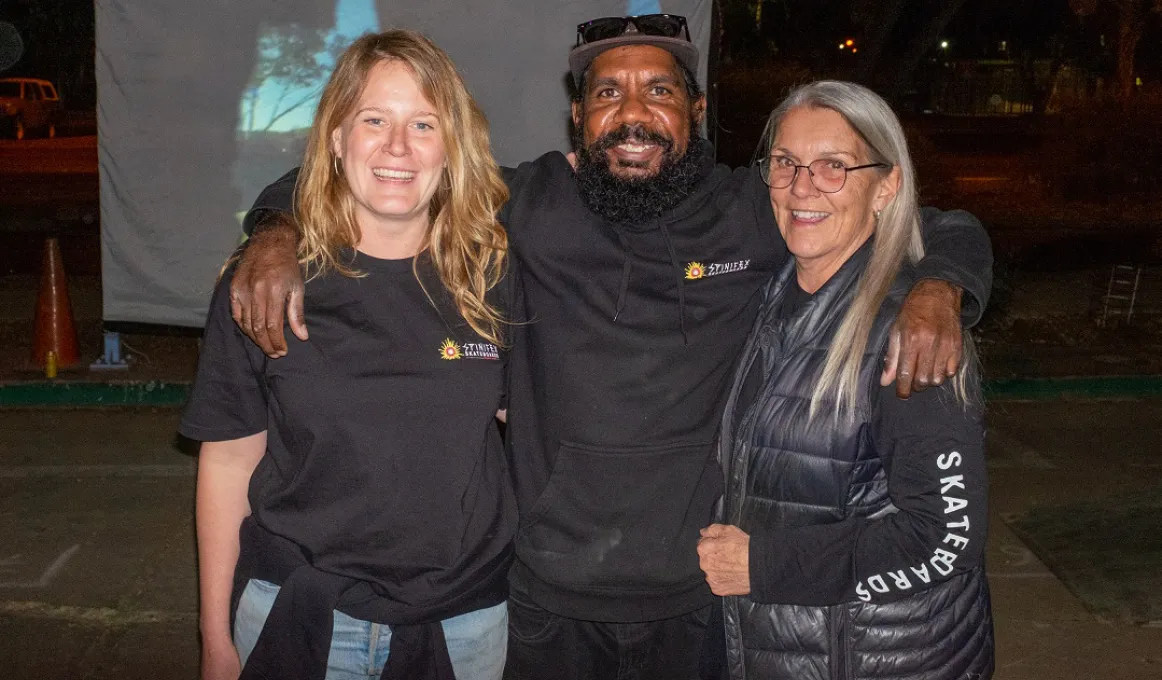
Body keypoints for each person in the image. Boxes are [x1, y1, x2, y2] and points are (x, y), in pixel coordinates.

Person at [228, 16, 994, 680]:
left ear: (696, 110)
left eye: (658, 92)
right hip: (545, 597)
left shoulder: (754, 210)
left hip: (698, 597)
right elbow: (389, 174)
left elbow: (930, 220)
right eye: (606, 94)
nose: (633, 113)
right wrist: (273, 228)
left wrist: (942, 288)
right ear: (578, 119)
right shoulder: (528, 203)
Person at [180, 30, 517, 680]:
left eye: (424, 123)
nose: (398, 146)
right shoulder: (262, 284)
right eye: (374, 120)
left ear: (452, 147)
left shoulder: (496, 278)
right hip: (296, 613)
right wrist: (214, 634)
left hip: (464, 625)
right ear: (336, 140)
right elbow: (227, 461)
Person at [697, 81, 993, 680]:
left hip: (881, 660)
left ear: (886, 186)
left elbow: (945, 540)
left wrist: (764, 565)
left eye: (834, 166)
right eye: (785, 163)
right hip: (790, 649)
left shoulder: (908, 338)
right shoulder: (772, 294)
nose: (802, 187)